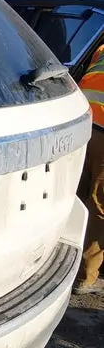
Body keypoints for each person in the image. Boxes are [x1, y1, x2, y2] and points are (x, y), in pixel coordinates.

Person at [75, 42, 104, 294]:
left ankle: (63, 257)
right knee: (99, 208)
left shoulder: (102, 48)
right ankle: (85, 277)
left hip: (83, 126)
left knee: (78, 195)